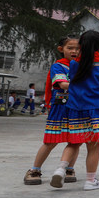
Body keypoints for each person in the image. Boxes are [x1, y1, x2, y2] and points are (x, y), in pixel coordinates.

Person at [50, 30, 99, 190]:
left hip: (75, 110)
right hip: (96, 112)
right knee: (93, 146)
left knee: (73, 143)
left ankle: (60, 169)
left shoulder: (74, 64)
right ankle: (91, 181)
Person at [24, 37, 81, 185]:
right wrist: (86, 87)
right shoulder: (58, 66)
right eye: (70, 48)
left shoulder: (82, 67)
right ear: (61, 49)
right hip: (60, 107)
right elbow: (62, 84)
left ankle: (69, 169)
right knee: (51, 141)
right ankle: (34, 170)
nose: (74, 51)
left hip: (78, 108)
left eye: (77, 48)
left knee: (76, 141)